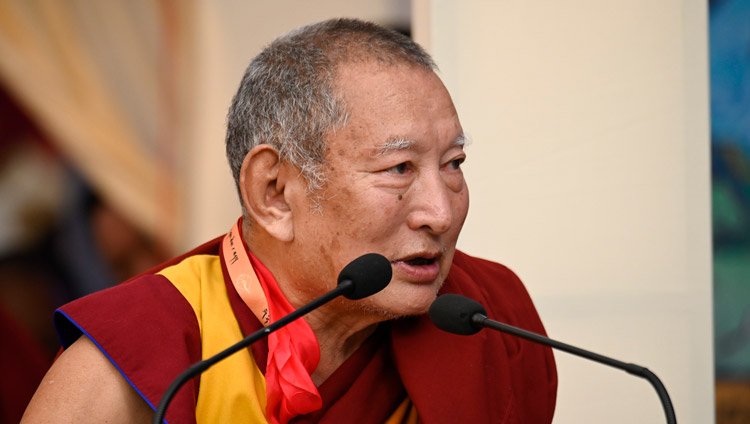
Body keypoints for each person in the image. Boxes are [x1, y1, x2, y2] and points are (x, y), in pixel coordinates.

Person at [22, 18, 557, 423]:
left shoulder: (493, 320)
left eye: (453, 165)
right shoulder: (143, 358)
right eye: (398, 169)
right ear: (273, 193)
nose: (441, 214)